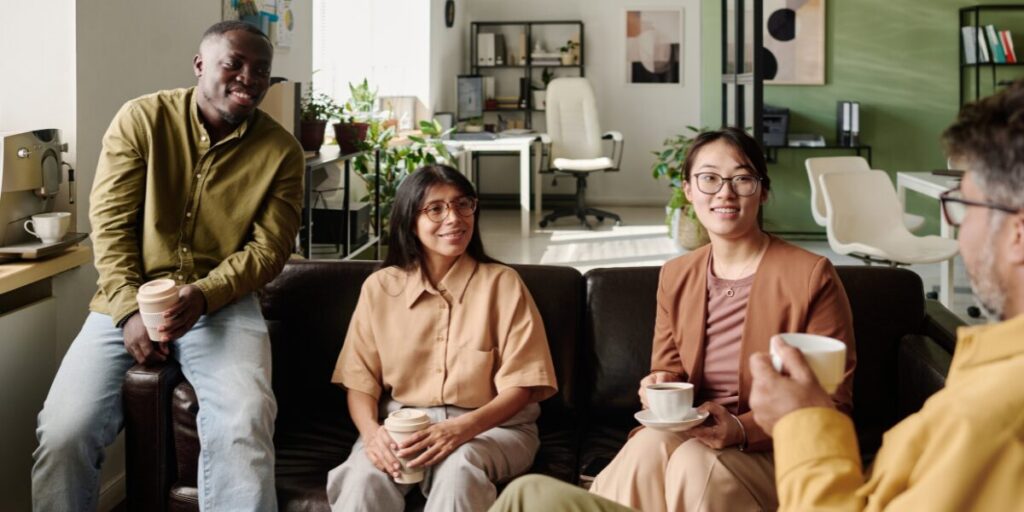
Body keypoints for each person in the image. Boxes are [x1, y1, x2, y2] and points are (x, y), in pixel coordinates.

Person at [486, 127, 856, 512]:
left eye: (742, 179)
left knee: (694, 463)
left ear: (762, 191)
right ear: (689, 190)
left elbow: (831, 404)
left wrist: (742, 428)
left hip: (774, 450)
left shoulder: (811, 275)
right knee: (648, 446)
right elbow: (669, 369)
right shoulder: (677, 274)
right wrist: (659, 385)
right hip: (692, 434)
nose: (725, 193)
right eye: (709, 179)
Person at [32, 21, 304, 511]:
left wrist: (203, 294)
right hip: (125, 301)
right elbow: (110, 226)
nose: (249, 78)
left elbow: (269, 251)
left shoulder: (281, 152)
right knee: (63, 433)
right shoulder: (141, 120)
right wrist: (126, 312)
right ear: (200, 66)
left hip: (222, 305)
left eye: (261, 70)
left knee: (244, 422)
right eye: (234, 64)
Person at [744, 80, 1024, 510]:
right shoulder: (989, 378)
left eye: (964, 207)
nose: (959, 231)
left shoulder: (991, 419)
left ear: (1017, 234)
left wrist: (801, 422)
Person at [327, 165, 558, 512]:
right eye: (436, 208)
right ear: (410, 220)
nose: (454, 218)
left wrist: (460, 429)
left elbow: (523, 385)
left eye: (463, 204)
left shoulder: (503, 283)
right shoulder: (380, 288)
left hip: (491, 429)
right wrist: (372, 435)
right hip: (404, 428)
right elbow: (360, 381)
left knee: (458, 469)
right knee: (362, 478)